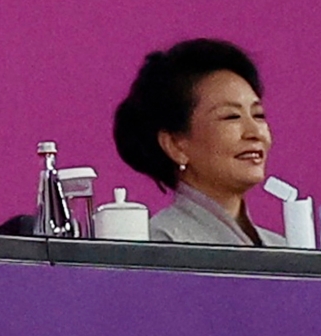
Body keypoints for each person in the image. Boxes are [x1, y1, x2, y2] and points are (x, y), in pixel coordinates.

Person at [113, 38, 285, 246]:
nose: (255, 132)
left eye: (258, 115)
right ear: (176, 145)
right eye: (231, 116)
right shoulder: (162, 243)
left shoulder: (282, 247)